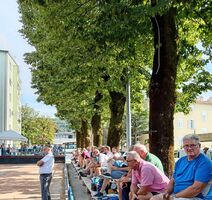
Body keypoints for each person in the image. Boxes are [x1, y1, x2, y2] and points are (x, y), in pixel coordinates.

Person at [151, 134, 212, 200]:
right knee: (154, 198)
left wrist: (174, 197)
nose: (189, 148)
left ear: (199, 146)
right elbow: (172, 181)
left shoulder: (204, 162)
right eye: (186, 146)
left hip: (196, 197)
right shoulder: (180, 161)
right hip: (177, 196)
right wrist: (166, 193)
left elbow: (196, 189)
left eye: (192, 145)